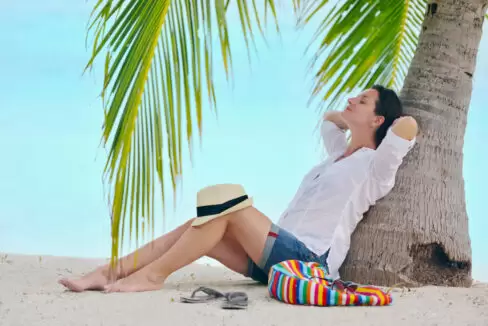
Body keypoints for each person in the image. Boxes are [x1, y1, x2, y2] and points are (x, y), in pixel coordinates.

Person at [59, 85, 418, 293]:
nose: (352, 99)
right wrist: (353, 114)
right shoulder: (337, 156)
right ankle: (110, 272)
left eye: (364, 100)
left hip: (309, 262)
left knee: (232, 206)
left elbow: (407, 126)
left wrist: (379, 120)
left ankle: (151, 276)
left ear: (378, 119)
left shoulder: (375, 168)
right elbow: (328, 119)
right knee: (201, 226)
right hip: (274, 262)